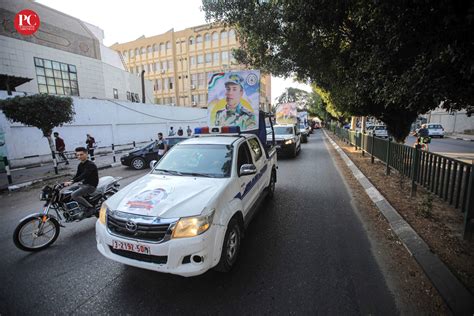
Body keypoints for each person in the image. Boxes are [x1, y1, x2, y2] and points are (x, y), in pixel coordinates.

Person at [63, 147, 99, 218]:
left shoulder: (90, 164)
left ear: (86, 154)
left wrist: (73, 181)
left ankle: (90, 208)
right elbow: (77, 175)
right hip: (83, 185)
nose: (79, 156)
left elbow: (84, 175)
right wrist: (70, 181)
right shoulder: (80, 165)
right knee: (67, 192)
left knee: (74, 195)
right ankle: (76, 208)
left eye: (81, 154)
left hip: (91, 186)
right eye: (78, 155)